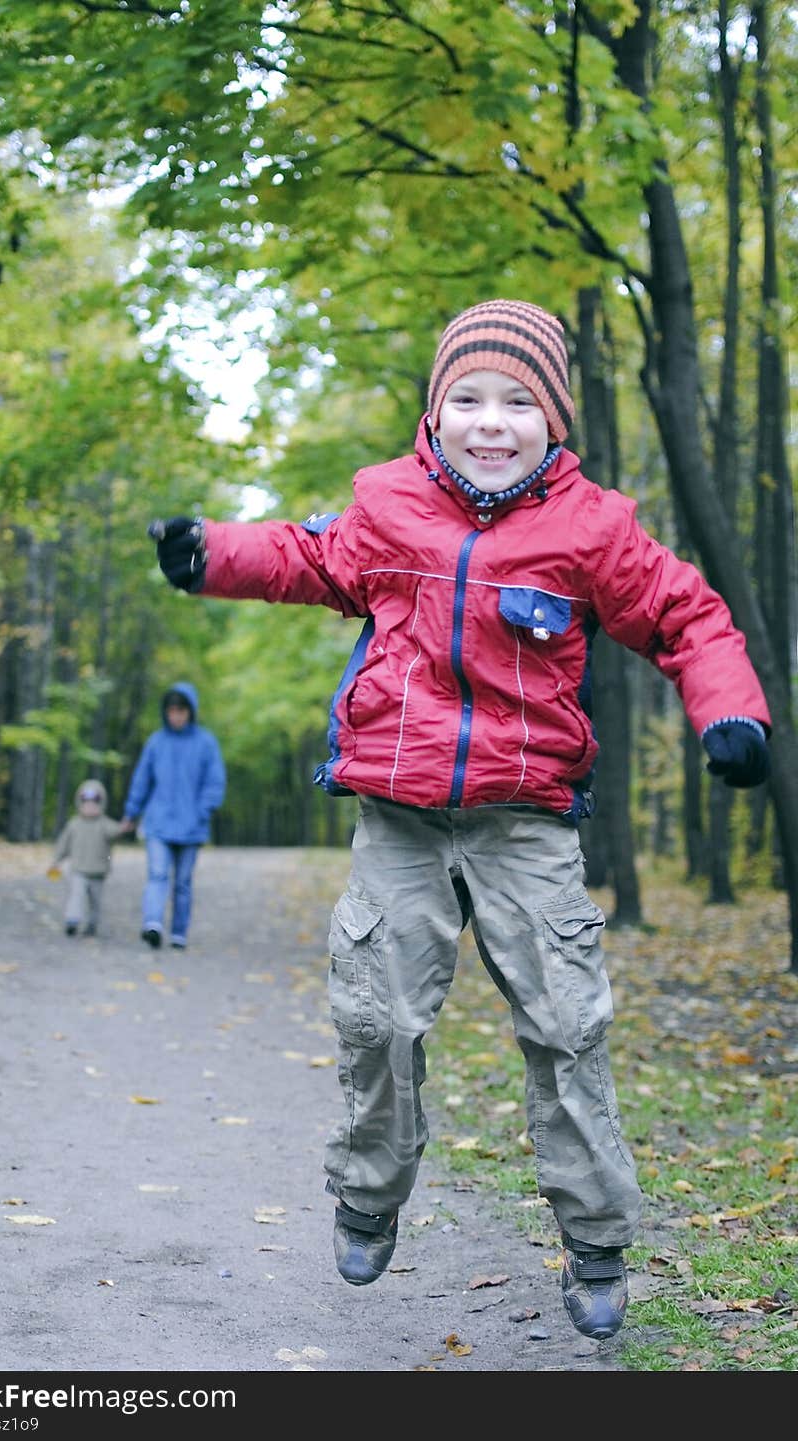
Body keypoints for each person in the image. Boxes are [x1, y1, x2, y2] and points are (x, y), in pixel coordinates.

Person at [150, 299, 771, 1341]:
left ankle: (596, 1239)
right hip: (399, 818)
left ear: (554, 419)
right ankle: (366, 1192)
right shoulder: (387, 505)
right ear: (434, 415)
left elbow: (683, 615)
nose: (492, 420)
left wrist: (730, 709)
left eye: (518, 400)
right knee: (377, 1016)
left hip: (524, 820)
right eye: (468, 398)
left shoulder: (591, 529)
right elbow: (308, 558)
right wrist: (212, 552)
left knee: (566, 1025)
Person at [121, 682, 226, 950]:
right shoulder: (156, 742)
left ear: (190, 712)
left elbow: (215, 782)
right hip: (158, 822)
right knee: (157, 874)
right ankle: (152, 924)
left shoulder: (205, 743)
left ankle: (179, 932)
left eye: (181, 711)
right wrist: (132, 812)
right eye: (172, 711)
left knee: (182, 882)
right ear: (166, 712)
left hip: (192, 826)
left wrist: (203, 810)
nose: (176, 716)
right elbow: (142, 780)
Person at [48, 779, 126, 937]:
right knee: (76, 894)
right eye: (86, 802)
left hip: (98, 872)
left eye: (94, 803)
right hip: (78, 870)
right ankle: (72, 920)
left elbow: (116, 831)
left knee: (95, 901)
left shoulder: (104, 824)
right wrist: (56, 861)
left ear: (101, 804)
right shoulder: (74, 824)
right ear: (80, 803)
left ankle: (92, 924)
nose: (90, 807)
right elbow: (63, 844)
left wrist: (125, 826)